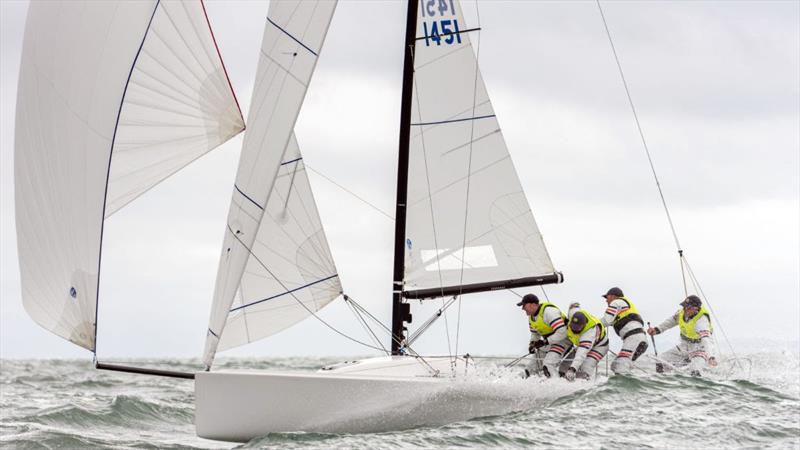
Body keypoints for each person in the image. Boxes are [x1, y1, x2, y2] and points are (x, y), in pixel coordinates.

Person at [647, 295, 717, 376]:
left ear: (696, 308)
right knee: (660, 362)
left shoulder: (701, 321)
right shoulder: (681, 313)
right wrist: (656, 330)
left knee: (695, 371)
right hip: (684, 346)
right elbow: (670, 322)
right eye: (684, 306)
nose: (685, 309)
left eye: (688, 307)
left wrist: (711, 357)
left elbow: (706, 340)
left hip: (700, 348)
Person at [517, 294, 570, 379]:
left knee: (548, 365)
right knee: (529, 369)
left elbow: (562, 332)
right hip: (549, 342)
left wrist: (545, 342)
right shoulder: (531, 318)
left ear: (533, 305)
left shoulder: (549, 312)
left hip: (563, 341)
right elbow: (535, 334)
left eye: (524, 306)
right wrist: (532, 344)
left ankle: (556, 385)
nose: (522, 308)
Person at [600, 287, 648, 374]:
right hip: (640, 339)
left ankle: (626, 386)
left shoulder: (616, 302)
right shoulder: (624, 306)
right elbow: (612, 321)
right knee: (615, 365)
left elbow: (606, 320)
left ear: (612, 296)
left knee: (620, 366)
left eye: (607, 297)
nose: (606, 301)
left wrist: (592, 325)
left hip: (633, 339)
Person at [564, 302, 609, 381]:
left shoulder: (589, 332)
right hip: (581, 345)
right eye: (573, 326)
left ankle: (584, 384)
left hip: (599, 346)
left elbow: (582, 352)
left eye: (577, 328)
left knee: (585, 368)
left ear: (583, 325)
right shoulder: (573, 314)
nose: (574, 329)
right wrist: (573, 306)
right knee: (563, 367)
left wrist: (572, 369)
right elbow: (573, 309)